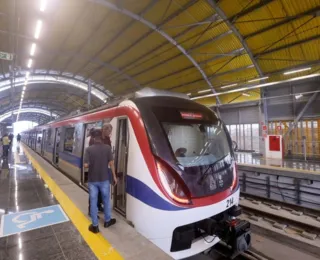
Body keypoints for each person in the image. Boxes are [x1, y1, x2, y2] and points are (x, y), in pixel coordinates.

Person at [84, 129, 117, 234]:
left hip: (92, 180)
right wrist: (114, 177)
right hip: (104, 180)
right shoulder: (107, 148)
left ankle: (95, 226)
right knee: (106, 200)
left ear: (93, 138)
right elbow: (111, 163)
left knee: (93, 202)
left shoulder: (88, 150)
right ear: (101, 138)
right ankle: (107, 221)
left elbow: (85, 165)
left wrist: (90, 163)